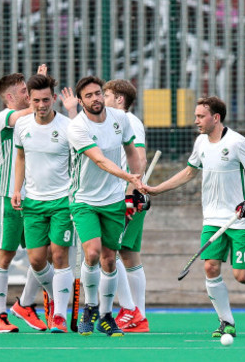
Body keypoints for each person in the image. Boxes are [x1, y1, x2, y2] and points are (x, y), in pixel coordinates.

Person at [143, 96, 245, 338]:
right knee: (210, 267)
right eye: (196, 116)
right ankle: (226, 322)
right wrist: (157, 188)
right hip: (212, 218)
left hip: (239, 219)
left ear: (215, 118)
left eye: (200, 116)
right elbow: (188, 172)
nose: (196, 121)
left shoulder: (238, 143)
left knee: (243, 276)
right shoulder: (200, 143)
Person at [66, 76, 145, 337]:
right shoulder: (77, 127)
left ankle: (106, 315)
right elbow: (99, 160)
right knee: (92, 253)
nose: (95, 98)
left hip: (113, 200)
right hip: (84, 200)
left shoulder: (119, 119)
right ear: (81, 101)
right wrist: (128, 177)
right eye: (88, 96)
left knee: (110, 260)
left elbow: (132, 150)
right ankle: (90, 306)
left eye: (98, 93)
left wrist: (137, 182)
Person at [11, 73, 73, 333]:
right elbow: (21, 158)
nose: (41, 105)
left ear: (54, 99)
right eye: (36, 100)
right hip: (33, 202)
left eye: (46, 100)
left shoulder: (69, 126)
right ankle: (58, 295)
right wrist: (17, 189)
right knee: (36, 260)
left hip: (63, 200)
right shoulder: (22, 126)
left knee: (59, 255)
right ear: (30, 100)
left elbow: (83, 160)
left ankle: (59, 314)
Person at [0, 68, 48, 333]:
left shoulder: (30, 120)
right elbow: (29, 113)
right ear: (11, 97)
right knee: (5, 254)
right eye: (25, 92)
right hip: (5, 196)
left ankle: (24, 304)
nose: (31, 96)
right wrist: (40, 94)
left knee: (41, 254)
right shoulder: (5, 117)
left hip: (32, 197)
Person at [103, 79, 149, 332]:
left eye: (107, 95)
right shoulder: (113, 122)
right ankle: (138, 315)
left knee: (108, 251)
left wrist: (131, 196)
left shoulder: (128, 121)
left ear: (119, 99)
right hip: (122, 194)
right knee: (128, 254)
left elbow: (139, 157)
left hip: (125, 196)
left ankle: (132, 311)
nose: (102, 99)